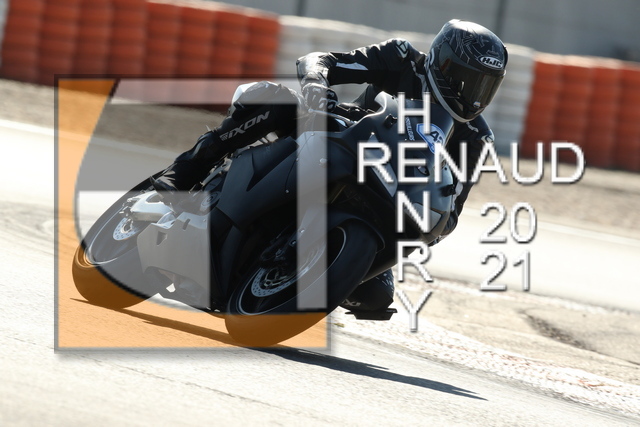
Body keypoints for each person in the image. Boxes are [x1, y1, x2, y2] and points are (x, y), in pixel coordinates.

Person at [152, 19, 508, 316]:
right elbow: (322, 61)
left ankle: (303, 273)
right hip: (338, 136)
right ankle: (186, 170)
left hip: (385, 192)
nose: (473, 95)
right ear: (442, 63)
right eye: (467, 79)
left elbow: (451, 207)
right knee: (273, 102)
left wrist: (426, 226)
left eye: (485, 86)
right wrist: (316, 85)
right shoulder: (403, 60)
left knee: (375, 296)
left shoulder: (476, 137)